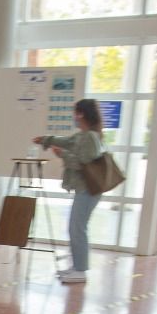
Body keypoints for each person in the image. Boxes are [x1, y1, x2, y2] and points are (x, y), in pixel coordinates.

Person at [33, 98, 107, 284]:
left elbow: (84, 163)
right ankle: (76, 267)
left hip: (89, 190)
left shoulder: (90, 137)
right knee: (75, 228)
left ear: (81, 113)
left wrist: (62, 154)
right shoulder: (83, 135)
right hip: (84, 189)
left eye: (75, 112)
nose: (73, 116)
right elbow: (66, 141)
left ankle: (80, 270)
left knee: (77, 228)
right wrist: (46, 140)